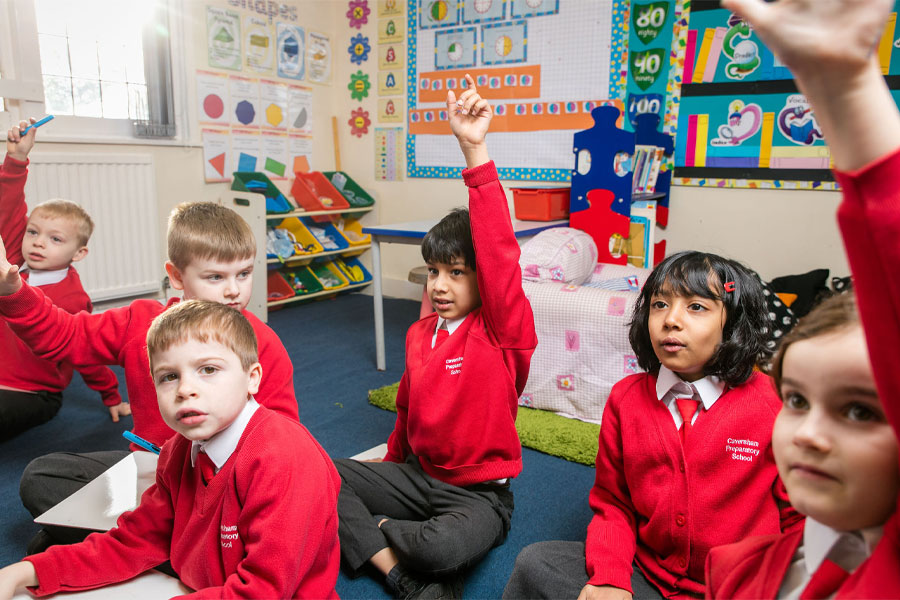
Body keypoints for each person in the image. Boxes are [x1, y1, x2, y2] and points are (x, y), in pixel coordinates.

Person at [704, 0, 900, 596]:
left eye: (861, 411)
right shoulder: (744, 569)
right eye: (794, 400)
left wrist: (844, 82)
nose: (808, 434)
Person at [332, 73, 537, 599]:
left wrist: (475, 150)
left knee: (441, 548)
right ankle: (400, 573)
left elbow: (499, 252)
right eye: (433, 272)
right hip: (416, 478)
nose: (440, 285)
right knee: (315, 474)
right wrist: (388, 471)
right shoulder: (421, 333)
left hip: (477, 498)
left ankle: (388, 545)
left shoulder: (501, 332)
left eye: (457, 272)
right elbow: (406, 409)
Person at [0, 199, 297, 552]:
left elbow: (283, 435)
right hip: (152, 475)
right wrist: (12, 292)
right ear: (176, 276)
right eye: (215, 277)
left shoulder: (262, 342)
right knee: (43, 477)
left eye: (243, 274)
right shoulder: (140, 322)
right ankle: (151, 546)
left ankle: (132, 546)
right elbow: (63, 335)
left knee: (47, 542)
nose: (234, 290)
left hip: (220, 487)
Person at [503, 250, 802, 599]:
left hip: (741, 588)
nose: (671, 320)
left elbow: (802, 517)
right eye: (660, 304)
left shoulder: (773, 405)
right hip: (649, 576)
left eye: (696, 307)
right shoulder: (625, 400)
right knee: (535, 564)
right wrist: (610, 577)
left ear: (732, 322)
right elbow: (614, 502)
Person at [0, 300, 340, 599]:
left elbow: (264, 591)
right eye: (168, 377)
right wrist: (23, 573)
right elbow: (135, 540)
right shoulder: (178, 451)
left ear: (252, 379)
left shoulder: (284, 458)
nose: (185, 389)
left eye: (208, 369)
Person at [0, 120, 125, 441]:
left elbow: (84, 350)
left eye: (55, 239)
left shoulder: (71, 297)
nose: (38, 242)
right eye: (33, 232)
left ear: (79, 253)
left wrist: (111, 395)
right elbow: (9, 209)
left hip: (34, 393)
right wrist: (16, 159)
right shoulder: (16, 261)